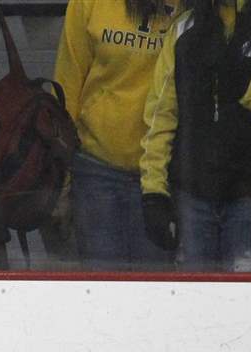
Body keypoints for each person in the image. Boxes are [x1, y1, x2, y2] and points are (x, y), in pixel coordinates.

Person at [140, 0, 251, 272]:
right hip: (192, 195)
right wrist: (154, 191)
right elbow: (161, 116)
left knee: (249, 299)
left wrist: (245, 88)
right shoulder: (184, 26)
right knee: (192, 299)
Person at [54, 0, 185, 270]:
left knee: (155, 286)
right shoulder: (88, 4)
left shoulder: (187, 8)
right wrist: (61, 178)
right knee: (101, 286)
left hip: (162, 174)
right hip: (96, 168)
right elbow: (66, 90)